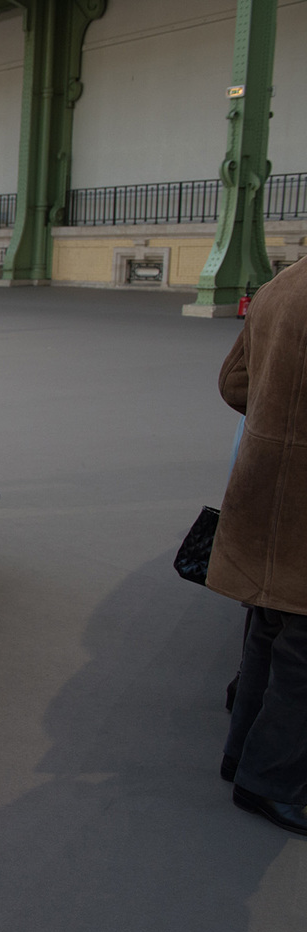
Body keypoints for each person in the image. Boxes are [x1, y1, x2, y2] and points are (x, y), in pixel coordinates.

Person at [208, 255, 307, 836]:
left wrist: (280, 418)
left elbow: (233, 382)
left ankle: (238, 754)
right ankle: (272, 781)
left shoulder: (281, 284)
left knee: (268, 625)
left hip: (263, 486)